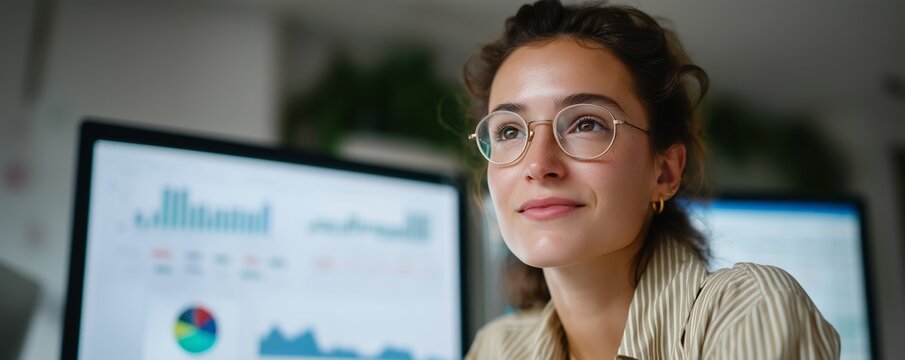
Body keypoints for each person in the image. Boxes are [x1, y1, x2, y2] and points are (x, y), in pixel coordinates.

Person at [461, 1, 840, 358]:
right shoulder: (498, 348)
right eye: (509, 132)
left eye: (586, 124)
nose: (538, 164)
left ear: (664, 172)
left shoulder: (747, 310)